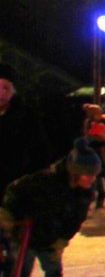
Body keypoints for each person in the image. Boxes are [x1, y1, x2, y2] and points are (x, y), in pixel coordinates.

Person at [0, 140, 102, 277]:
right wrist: (8, 219)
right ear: (75, 171)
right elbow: (14, 192)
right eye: (88, 174)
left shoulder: (84, 193)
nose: (91, 179)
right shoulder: (44, 181)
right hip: (25, 237)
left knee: (54, 272)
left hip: (49, 237)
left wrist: (61, 242)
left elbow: (75, 221)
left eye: (94, 175)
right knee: (17, 275)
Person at [0, 63, 53, 199]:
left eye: (6, 88)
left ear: (13, 90)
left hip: (15, 184)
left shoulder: (26, 115)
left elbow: (40, 149)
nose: (1, 93)